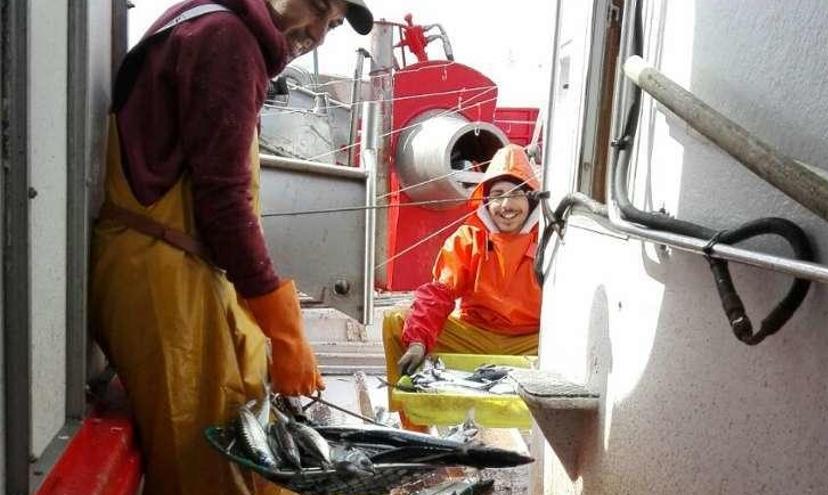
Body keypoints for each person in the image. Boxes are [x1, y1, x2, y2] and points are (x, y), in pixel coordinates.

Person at [89, 1, 372, 493]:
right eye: (317, 8)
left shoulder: (215, 27)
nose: (319, 33)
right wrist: (283, 329)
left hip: (182, 268)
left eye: (332, 23)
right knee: (208, 474)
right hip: (163, 281)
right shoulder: (226, 39)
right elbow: (223, 200)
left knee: (243, 447)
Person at [382, 144, 543, 419]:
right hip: (474, 334)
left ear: (531, 199)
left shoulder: (550, 241)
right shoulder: (467, 238)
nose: (506, 205)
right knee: (396, 320)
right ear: (485, 201)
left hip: (531, 340)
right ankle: (413, 421)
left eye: (516, 195)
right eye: (497, 195)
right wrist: (418, 340)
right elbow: (439, 294)